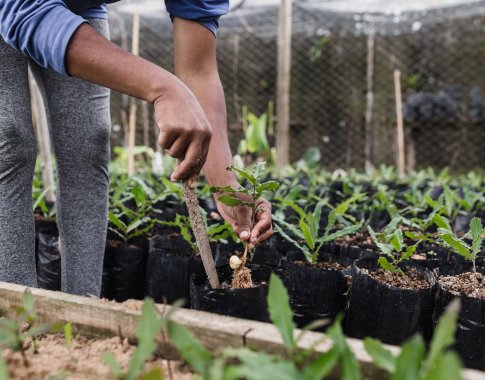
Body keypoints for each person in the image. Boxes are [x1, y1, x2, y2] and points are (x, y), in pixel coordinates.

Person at [0, 1, 273, 296]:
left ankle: (83, 310)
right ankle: (14, 320)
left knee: (90, 141)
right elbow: (24, 12)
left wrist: (226, 186)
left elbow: (199, 71)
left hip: (79, 6)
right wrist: (162, 87)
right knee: (9, 140)